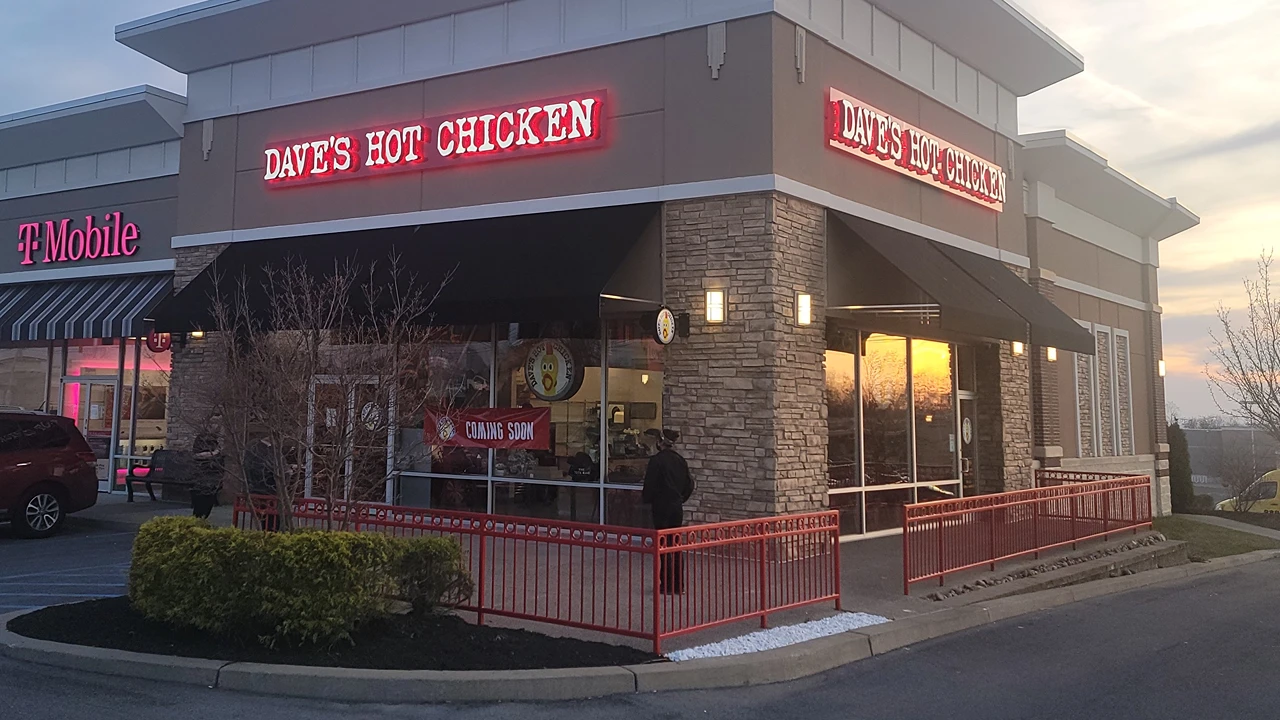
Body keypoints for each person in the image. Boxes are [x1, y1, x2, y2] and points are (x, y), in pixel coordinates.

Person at [642, 429, 694, 594]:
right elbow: (689, 484)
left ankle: (666, 585)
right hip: (676, 506)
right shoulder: (680, 460)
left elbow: (649, 486)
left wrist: (648, 499)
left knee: (663, 547)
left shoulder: (656, 461)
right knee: (676, 545)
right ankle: (679, 585)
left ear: (660, 442)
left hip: (661, 507)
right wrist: (680, 498)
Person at [243, 435, 280, 531]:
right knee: (271, 519)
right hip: (267, 489)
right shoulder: (266, 452)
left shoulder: (252, 450)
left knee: (263, 516)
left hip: (255, 489)